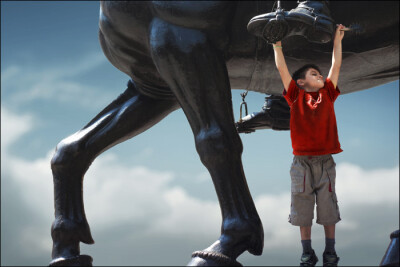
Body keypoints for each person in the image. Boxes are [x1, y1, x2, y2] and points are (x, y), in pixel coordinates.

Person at [273, 24, 345, 266]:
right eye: (314, 74)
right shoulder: (295, 96)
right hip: (301, 163)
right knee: (302, 206)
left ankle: (330, 251)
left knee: (328, 207)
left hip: (325, 161)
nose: (321, 76)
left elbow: (336, 65)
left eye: (319, 73)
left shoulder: (329, 94)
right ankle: (306, 252)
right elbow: (282, 68)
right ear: (301, 82)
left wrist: (337, 40)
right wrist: (276, 44)